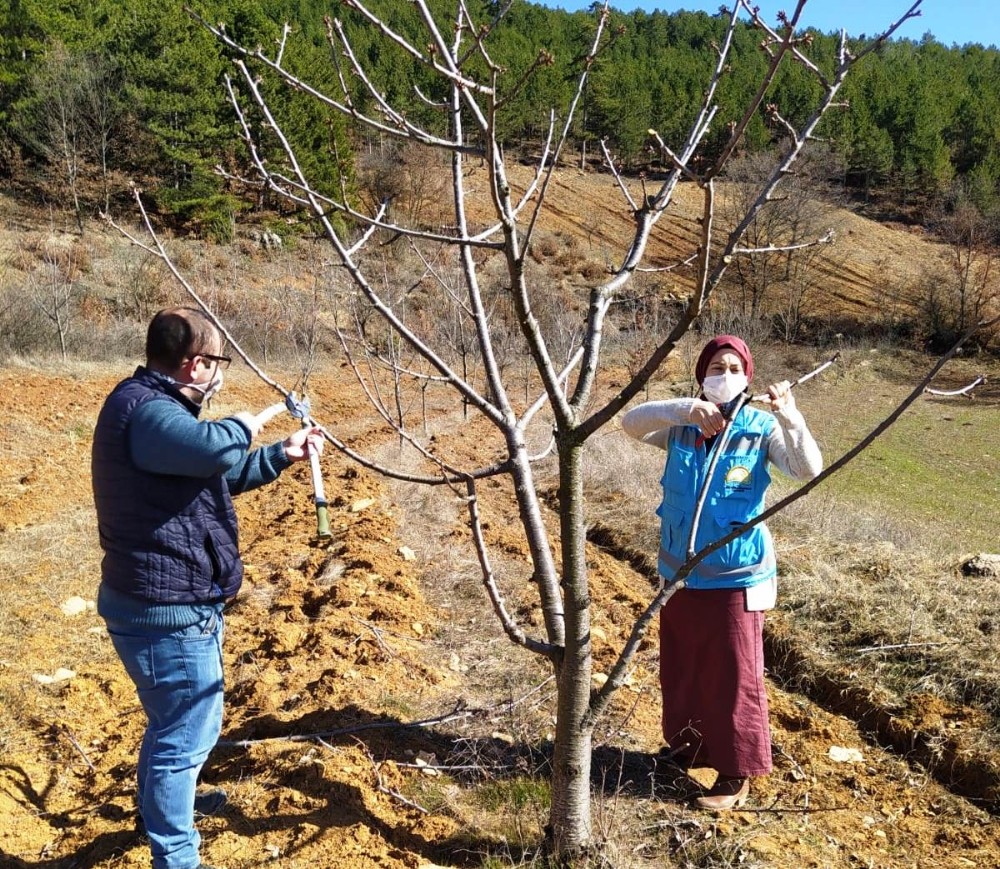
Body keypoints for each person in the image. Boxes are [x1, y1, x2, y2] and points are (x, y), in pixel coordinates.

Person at [91, 306, 324, 869]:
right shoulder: (148, 413)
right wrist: (248, 424)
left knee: (171, 723)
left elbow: (214, 476)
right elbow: (217, 449)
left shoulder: (157, 412)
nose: (221, 374)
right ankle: (176, 854)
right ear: (195, 365)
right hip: (166, 610)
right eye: (217, 362)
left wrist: (279, 455)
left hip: (163, 603)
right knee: (186, 736)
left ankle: (158, 813)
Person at [622, 334, 822, 810]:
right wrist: (684, 409)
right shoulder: (683, 427)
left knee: (733, 676)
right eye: (716, 366)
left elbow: (808, 468)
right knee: (683, 668)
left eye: (734, 368)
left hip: (737, 576)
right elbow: (630, 422)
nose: (725, 375)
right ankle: (689, 749)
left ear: (748, 376)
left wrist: (788, 415)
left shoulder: (759, 428)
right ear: (702, 375)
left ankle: (736, 772)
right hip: (680, 573)